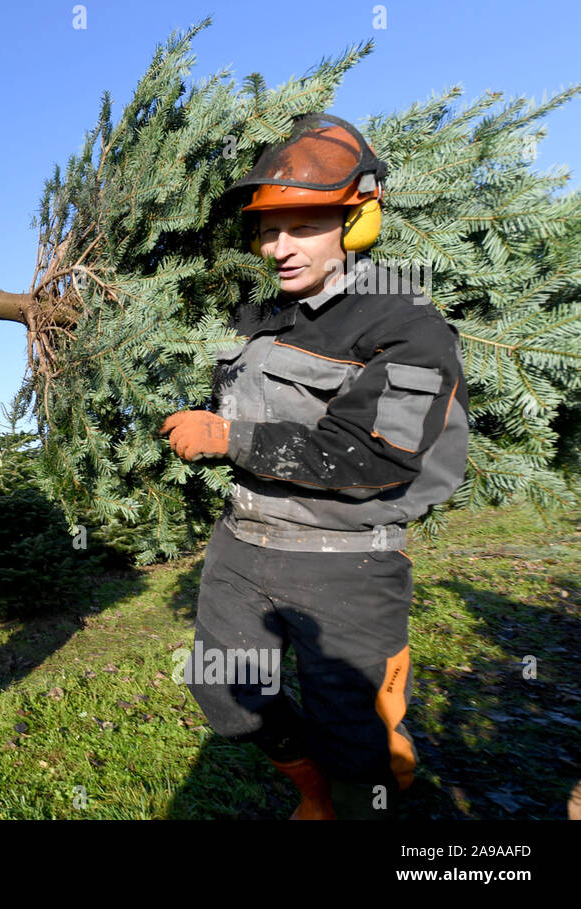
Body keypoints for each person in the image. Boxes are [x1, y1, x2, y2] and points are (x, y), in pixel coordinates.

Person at [159, 113, 469, 819]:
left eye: (302, 226)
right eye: (270, 229)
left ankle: (363, 785)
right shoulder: (259, 315)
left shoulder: (406, 326)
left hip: (346, 564)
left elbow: (376, 454)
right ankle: (313, 793)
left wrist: (228, 437)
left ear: (356, 222)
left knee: (357, 740)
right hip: (242, 546)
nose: (279, 246)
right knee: (223, 688)